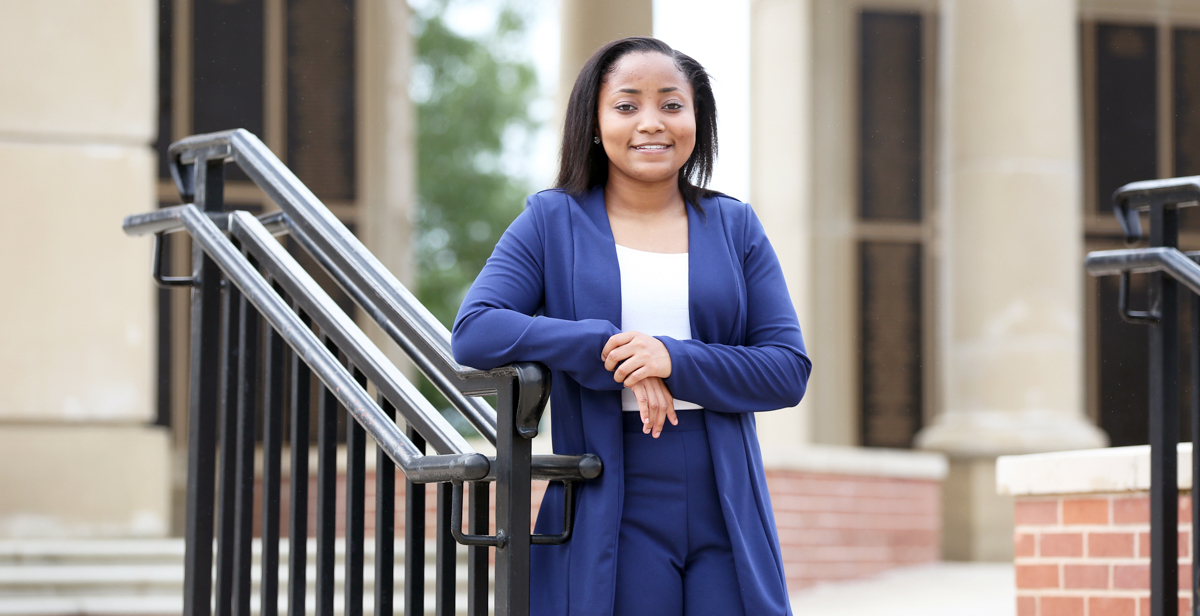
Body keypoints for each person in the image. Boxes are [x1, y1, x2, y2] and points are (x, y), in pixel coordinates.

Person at [451, 36, 811, 616]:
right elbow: (476, 331)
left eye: (672, 104)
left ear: (698, 120)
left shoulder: (734, 226)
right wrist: (606, 347)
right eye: (626, 105)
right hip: (610, 485)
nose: (652, 123)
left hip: (726, 490)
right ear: (593, 121)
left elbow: (787, 370)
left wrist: (672, 358)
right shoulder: (552, 220)